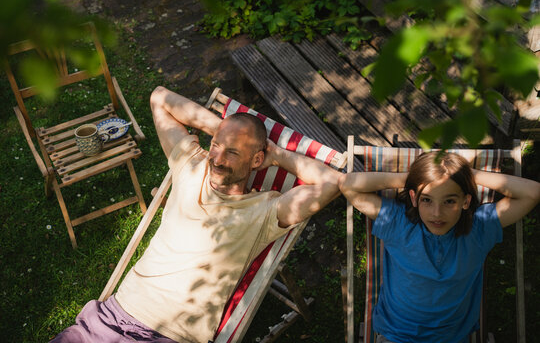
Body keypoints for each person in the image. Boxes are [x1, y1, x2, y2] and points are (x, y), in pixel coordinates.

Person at [51, 86, 342, 343]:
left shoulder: (266, 211)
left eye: (232, 153)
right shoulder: (190, 165)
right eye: (215, 146)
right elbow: (159, 97)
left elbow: (331, 183)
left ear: (257, 159)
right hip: (107, 317)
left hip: (166, 335)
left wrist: (277, 155)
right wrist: (223, 129)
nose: (216, 159)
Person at [338, 151, 540, 343]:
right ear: (414, 198)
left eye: (449, 201)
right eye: (427, 199)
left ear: (466, 201)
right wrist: (412, 178)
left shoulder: (480, 228)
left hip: (450, 337)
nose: (437, 213)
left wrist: (470, 174)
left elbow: (532, 192)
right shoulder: (397, 222)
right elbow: (347, 184)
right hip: (398, 335)